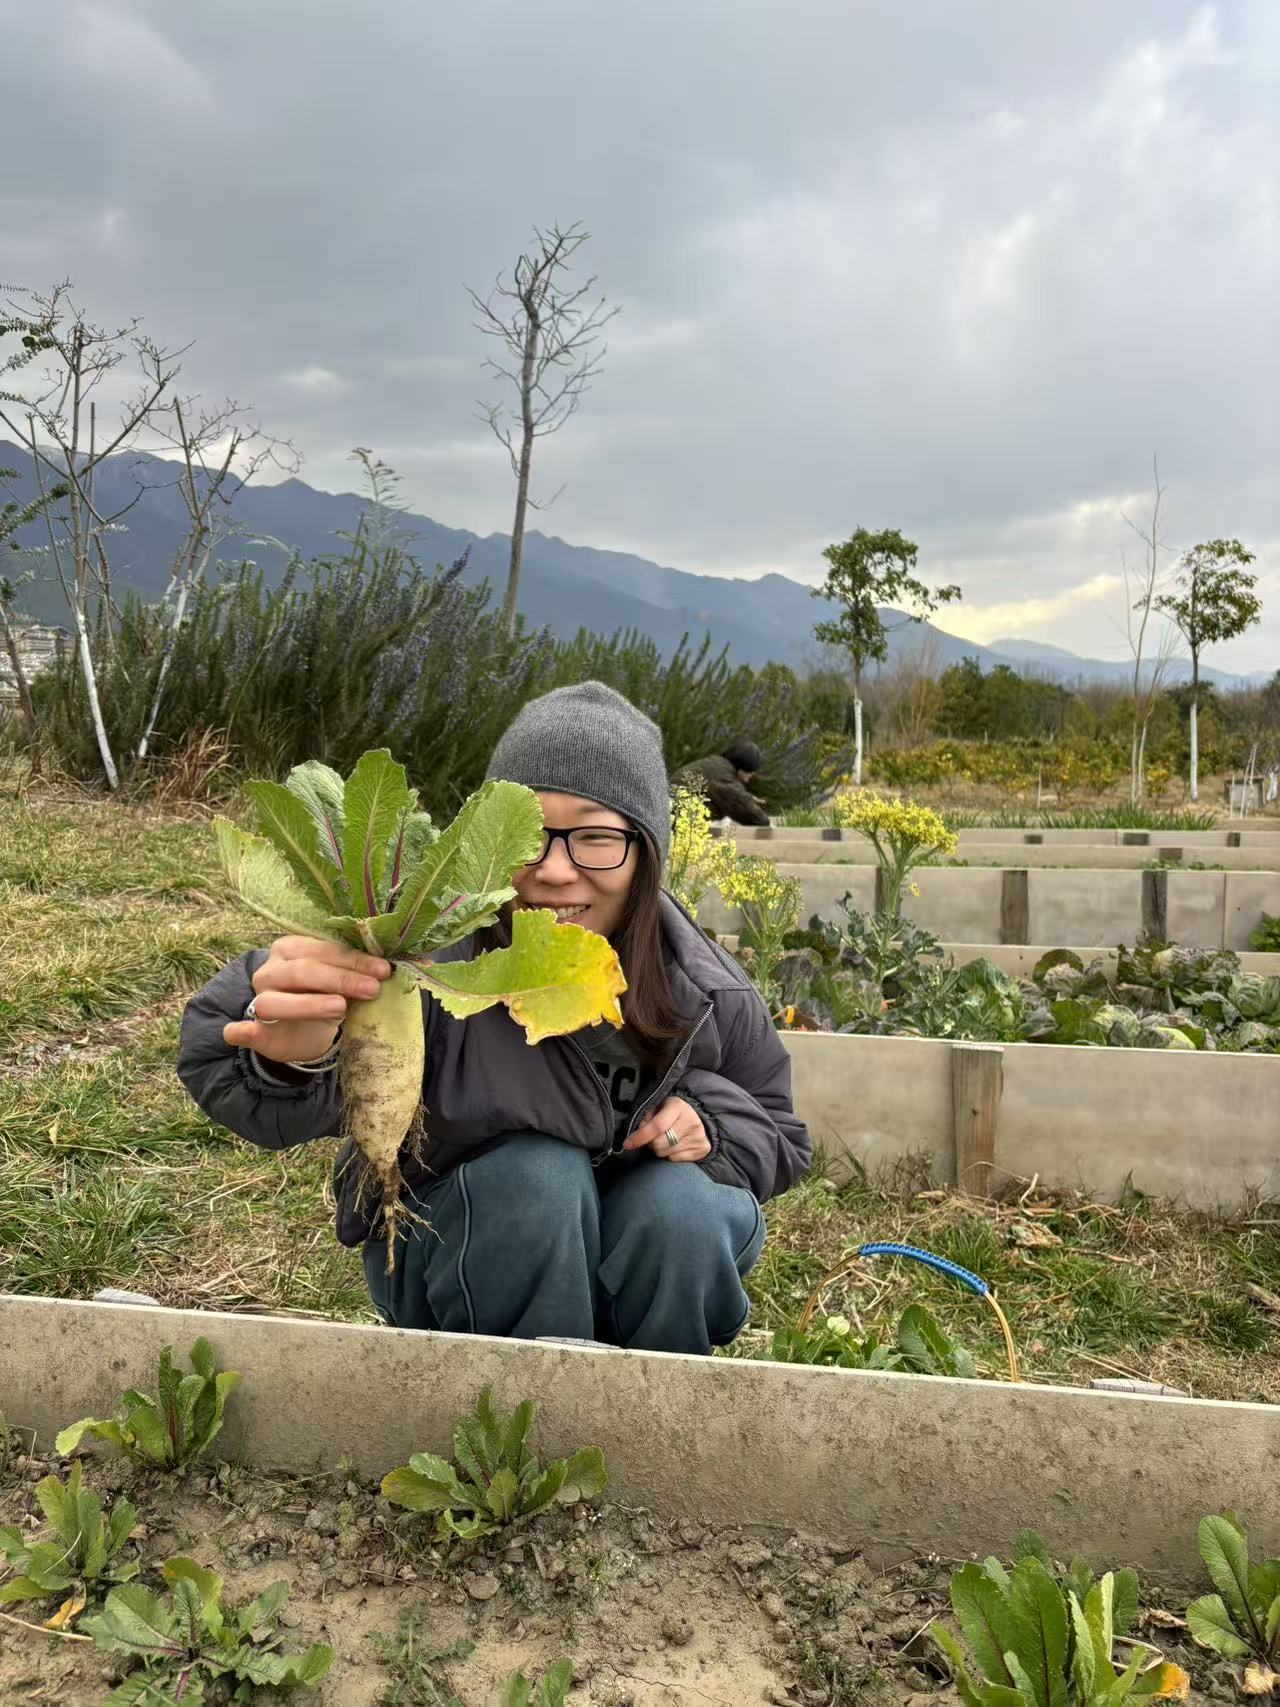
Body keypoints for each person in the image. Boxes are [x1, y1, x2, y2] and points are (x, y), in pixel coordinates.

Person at [177, 682, 810, 1356]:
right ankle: (515, 1428)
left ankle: (659, 1417)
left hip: (637, 1261)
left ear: (645, 850)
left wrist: (707, 1120)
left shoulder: (709, 992)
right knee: (538, 1178)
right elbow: (221, 1048)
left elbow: (781, 1136)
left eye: (596, 837)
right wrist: (292, 1048)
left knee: (681, 1210)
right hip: (470, 1262)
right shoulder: (425, 963)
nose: (557, 871)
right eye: (529, 836)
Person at [672, 739, 770, 826]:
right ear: (742, 767)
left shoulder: (717, 766)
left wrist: (748, 799)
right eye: (750, 772)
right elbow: (746, 810)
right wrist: (766, 822)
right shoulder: (723, 776)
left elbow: (735, 796)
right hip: (673, 818)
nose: (751, 775)